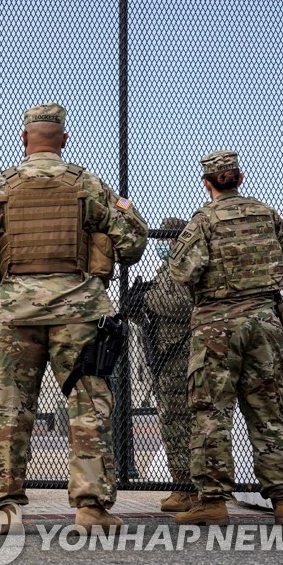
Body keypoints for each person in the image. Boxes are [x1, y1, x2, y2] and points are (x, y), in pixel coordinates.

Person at [0, 102, 148, 533]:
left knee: (8, 410)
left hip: (15, 311)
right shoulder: (88, 185)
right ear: (64, 141)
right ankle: (90, 509)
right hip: (79, 308)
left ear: (25, 141)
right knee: (88, 406)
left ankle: (4, 508)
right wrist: (123, 214)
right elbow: (131, 244)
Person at [168, 150, 283, 526]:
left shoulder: (204, 220)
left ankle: (213, 502)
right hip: (265, 320)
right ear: (240, 178)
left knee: (212, 412)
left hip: (217, 325)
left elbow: (183, 271)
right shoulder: (266, 213)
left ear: (208, 182)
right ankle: (282, 504)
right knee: (268, 412)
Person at [129, 217, 197, 512]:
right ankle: (183, 484)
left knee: (179, 423)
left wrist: (147, 298)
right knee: (173, 423)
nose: (163, 247)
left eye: (166, 241)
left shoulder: (186, 267)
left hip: (180, 355)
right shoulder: (169, 268)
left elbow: (181, 306)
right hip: (167, 355)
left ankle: (187, 488)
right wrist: (138, 304)